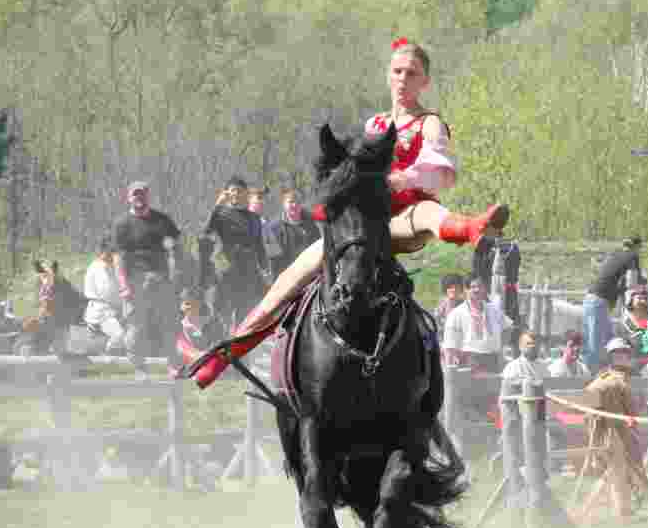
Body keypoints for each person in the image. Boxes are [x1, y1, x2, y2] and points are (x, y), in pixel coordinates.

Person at [195, 39, 509, 381]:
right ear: (389, 76)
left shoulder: (428, 123)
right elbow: (348, 171)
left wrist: (405, 178)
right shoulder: (374, 125)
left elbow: (441, 167)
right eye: (398, 71)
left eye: (412, 73)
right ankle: (224, 355)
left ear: (424, 82)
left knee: (427, 213)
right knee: (286, 281)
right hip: (364, 226)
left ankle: (472, 228)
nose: (403, 78)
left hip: (405, 219)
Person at [573, 337, 648, 521]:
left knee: (616, 474)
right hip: (611, 434)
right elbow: (592, 406)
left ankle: (614, 510)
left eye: (624, 353)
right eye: (617, 354)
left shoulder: (619, 379)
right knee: (618, 473)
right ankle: (618, 512)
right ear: (611, 357)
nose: (621, 357)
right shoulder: (609, 380)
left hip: (617, 432)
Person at [113, 181, 182, 372]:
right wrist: (124, 286)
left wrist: (176, 274)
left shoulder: (162, 221)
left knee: (170, 325)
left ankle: (174, 366)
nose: (139, 198)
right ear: (128, 198)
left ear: (148, 196)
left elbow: (177, 247)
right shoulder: (122, 224)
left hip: (161, 280)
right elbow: (118, 258)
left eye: (142, 194)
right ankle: (139, 368)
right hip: (135, 281)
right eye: (135, 194)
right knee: (136, 328)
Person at [200, 176, 269, 327]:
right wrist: (218, 205)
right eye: (233, 190)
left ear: (246, 194)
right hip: (226, 270)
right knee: (222, 312)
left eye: (240, 191)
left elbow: (259, 246)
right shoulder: (221, 213)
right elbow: (206, 232)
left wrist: (265, 268)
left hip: (248, 271)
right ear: (227, 193)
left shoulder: (254, 218)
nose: (236, 194)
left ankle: (241, 344)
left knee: (244, 313)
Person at [583, 237, 641, 373]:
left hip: (593, 300)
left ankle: (609, 370)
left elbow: (610, 276)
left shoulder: (615, 254)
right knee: (595, 344)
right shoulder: (632, 256)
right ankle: (592, 376)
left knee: (609, 340)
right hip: (598, 302)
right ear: (638, 247)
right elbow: (632, 283)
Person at [443, 275, 506, 373]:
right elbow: (449, 347)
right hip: (468, 363)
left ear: (484, 289)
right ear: (466, 290)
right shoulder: (456, 313)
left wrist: (500, 345)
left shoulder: (493, 310)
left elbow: (507, 328)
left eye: (480, 286)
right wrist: (450, 372)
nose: (477, 290)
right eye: (473, 287)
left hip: (493, 360)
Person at [264, 187, 317, 285]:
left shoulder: (312, 224)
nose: (295, 205)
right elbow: (274, 262)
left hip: (312, 273)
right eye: (291, 202)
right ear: (284, 204)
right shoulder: (274, 228)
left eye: (298, 202)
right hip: (287, 278)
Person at [169, 287, 226, 378]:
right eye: (185, 303)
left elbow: (219, 349)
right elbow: (173, 357)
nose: (188, 307)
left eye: (192, 303)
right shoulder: (176, 327)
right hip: (184, 370)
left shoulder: (213, 324)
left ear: (199, 304)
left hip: (207, 369)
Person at [83, 237, 126, 354]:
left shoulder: (113, 267)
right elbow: (107, 292)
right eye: (111, 252)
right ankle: (106, 355)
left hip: (111, 310)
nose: (114, 256)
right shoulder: (97, 267)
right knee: (119, 335)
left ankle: (104, 350)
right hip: (101, 312)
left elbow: (116, 292)